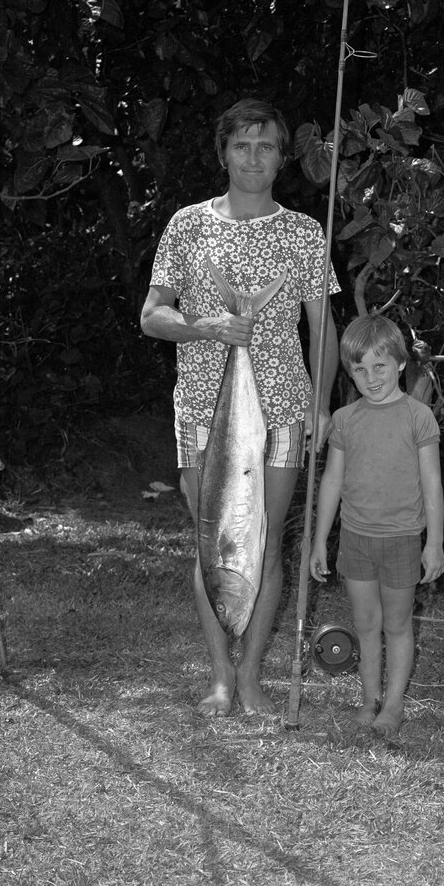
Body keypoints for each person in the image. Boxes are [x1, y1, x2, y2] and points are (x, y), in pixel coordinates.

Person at [140, 98, 339, 717]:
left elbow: (324, 329)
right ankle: (221, 677)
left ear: (283, 158)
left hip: (282, 405)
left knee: (265, 539)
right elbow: (152, 316)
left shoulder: (305, 233)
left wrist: (324, 407)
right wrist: (207, 326)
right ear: (223, 153)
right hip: (203, 404)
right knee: (211, 540)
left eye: (268, 146)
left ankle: (250, 679)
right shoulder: (186, 225)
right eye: (242, 145)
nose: (254, 157)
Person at [310, 314, 444, 737]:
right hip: (355, 539)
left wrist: (434, 543)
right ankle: (369, 698)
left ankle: (394, 704)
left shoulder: (418, 417)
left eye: (380, 366)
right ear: (350, 371)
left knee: (397, 624)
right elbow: (331, 481)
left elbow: (432, 485)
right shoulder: (345, 420)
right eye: (360, 368)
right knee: (366, 624)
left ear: (401, 363)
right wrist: (319, 542)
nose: (371, 377)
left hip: (403, 539)